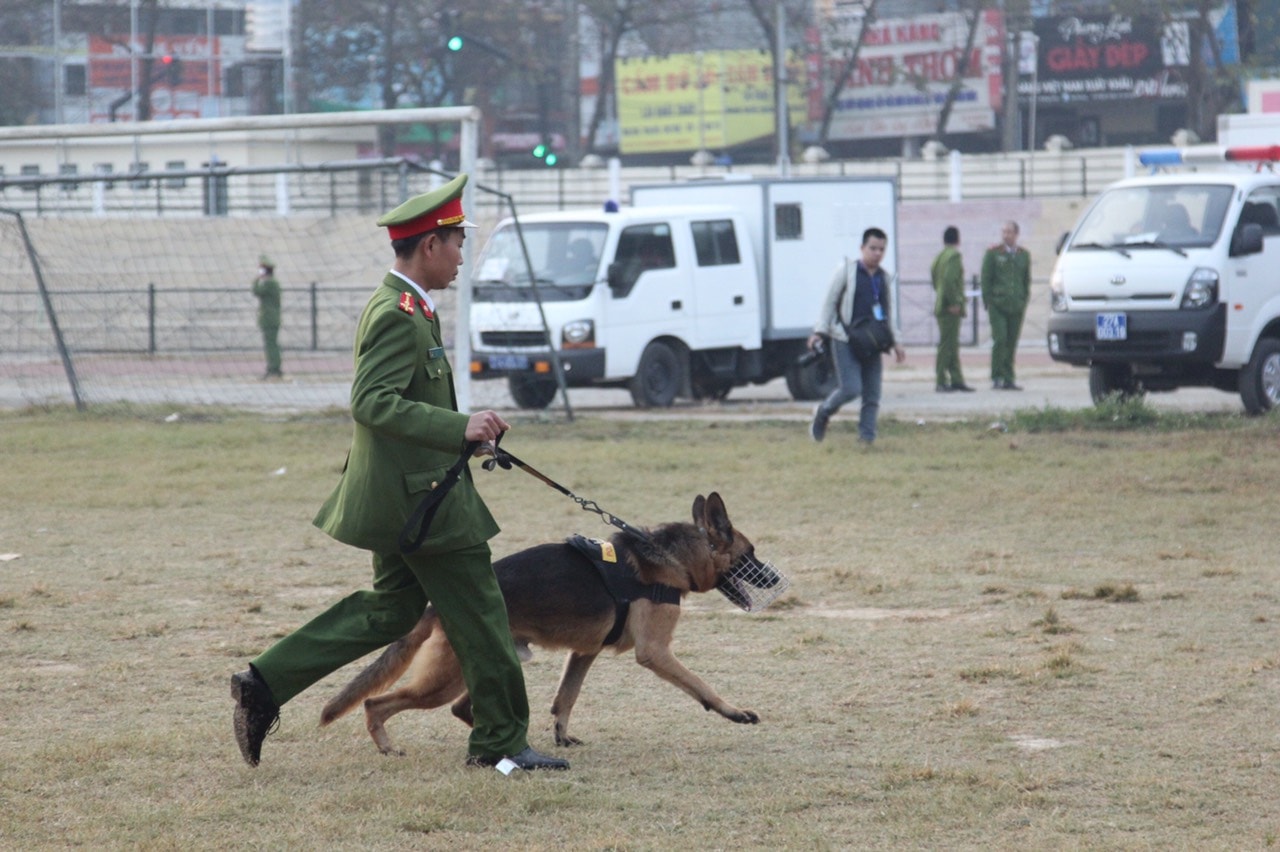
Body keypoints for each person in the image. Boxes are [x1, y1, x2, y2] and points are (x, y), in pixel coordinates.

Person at [231, 174, 569, 773]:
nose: (463, 255)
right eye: (459, 242)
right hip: (427, 507)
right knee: (486, 614)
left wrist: (460, 426)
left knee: (389, 611)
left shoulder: (411, 306)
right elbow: (371, 401)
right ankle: (499, 742)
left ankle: (263, 682)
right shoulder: (396, 312)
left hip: (410, 499)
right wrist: (457, 427)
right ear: (431, 246)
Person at [806, 227, 906, 445]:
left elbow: (890, 313)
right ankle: (823, 413)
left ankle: (866, 439)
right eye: (872, 248)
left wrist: (897, 342)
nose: (877, 253)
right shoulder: (847, 272)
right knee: (851, 388)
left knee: (872, 395)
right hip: (846, 340)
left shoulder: (883, 278)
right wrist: (819, 332)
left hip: (873, 342)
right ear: (862, 248)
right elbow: (829, 303)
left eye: (881, 249)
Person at [980, 220, 1032, 390]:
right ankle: (997, 376)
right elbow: (986, 278)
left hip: (1016, 305)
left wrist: (1023, 299)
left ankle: (1009, 377)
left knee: (1011, 341)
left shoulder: (1023, 255)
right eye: (1004, 232)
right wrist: (988, 300)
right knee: (1000, 339)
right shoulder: (994, 253)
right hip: (998, 304)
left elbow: (1026, 280)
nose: (1006, 235)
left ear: (1016, 234)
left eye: (1009, 232)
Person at [930, 226, 973, 393]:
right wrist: (955, 301)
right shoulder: (954, 256)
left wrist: (941, 294)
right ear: (958, 239)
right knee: (947, 345)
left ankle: (956, 379)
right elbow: (949, 280)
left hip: (942, 304)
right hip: (949, 308)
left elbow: (935, 277)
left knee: (951, 344)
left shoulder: (940, 256)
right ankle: (941, 379)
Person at [252, 255, 282, 379]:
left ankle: (274, 368)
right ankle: (273, 367)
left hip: (270, 319)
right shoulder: (272, 283)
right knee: (271, 344)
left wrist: (256, 279)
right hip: (271, 318)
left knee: (271, 345)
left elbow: (257, 291)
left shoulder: (270, 284)